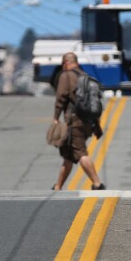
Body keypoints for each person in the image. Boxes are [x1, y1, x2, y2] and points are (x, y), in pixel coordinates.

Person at [52, 52, 106, 191]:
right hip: (87, 121)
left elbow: (61, 97)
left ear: (65, 63)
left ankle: (97, 183)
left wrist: (56, 117)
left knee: (80, 152)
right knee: (69, 154)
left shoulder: (66, 76)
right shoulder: (85, 77)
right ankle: (58, 186)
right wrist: (97, 125)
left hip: (75, 120)